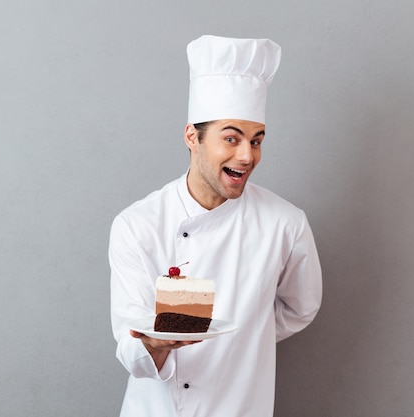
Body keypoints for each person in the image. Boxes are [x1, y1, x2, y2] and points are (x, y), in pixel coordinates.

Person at [109, 34, 322, 417]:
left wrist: (243, 340)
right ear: (192, 136)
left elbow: (301, 308)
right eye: (231, 138)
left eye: (256, 141)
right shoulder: (138, 224)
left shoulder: (284, 223)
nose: (247, 156)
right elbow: (129, 342)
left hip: (239, 406)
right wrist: (155, 346)